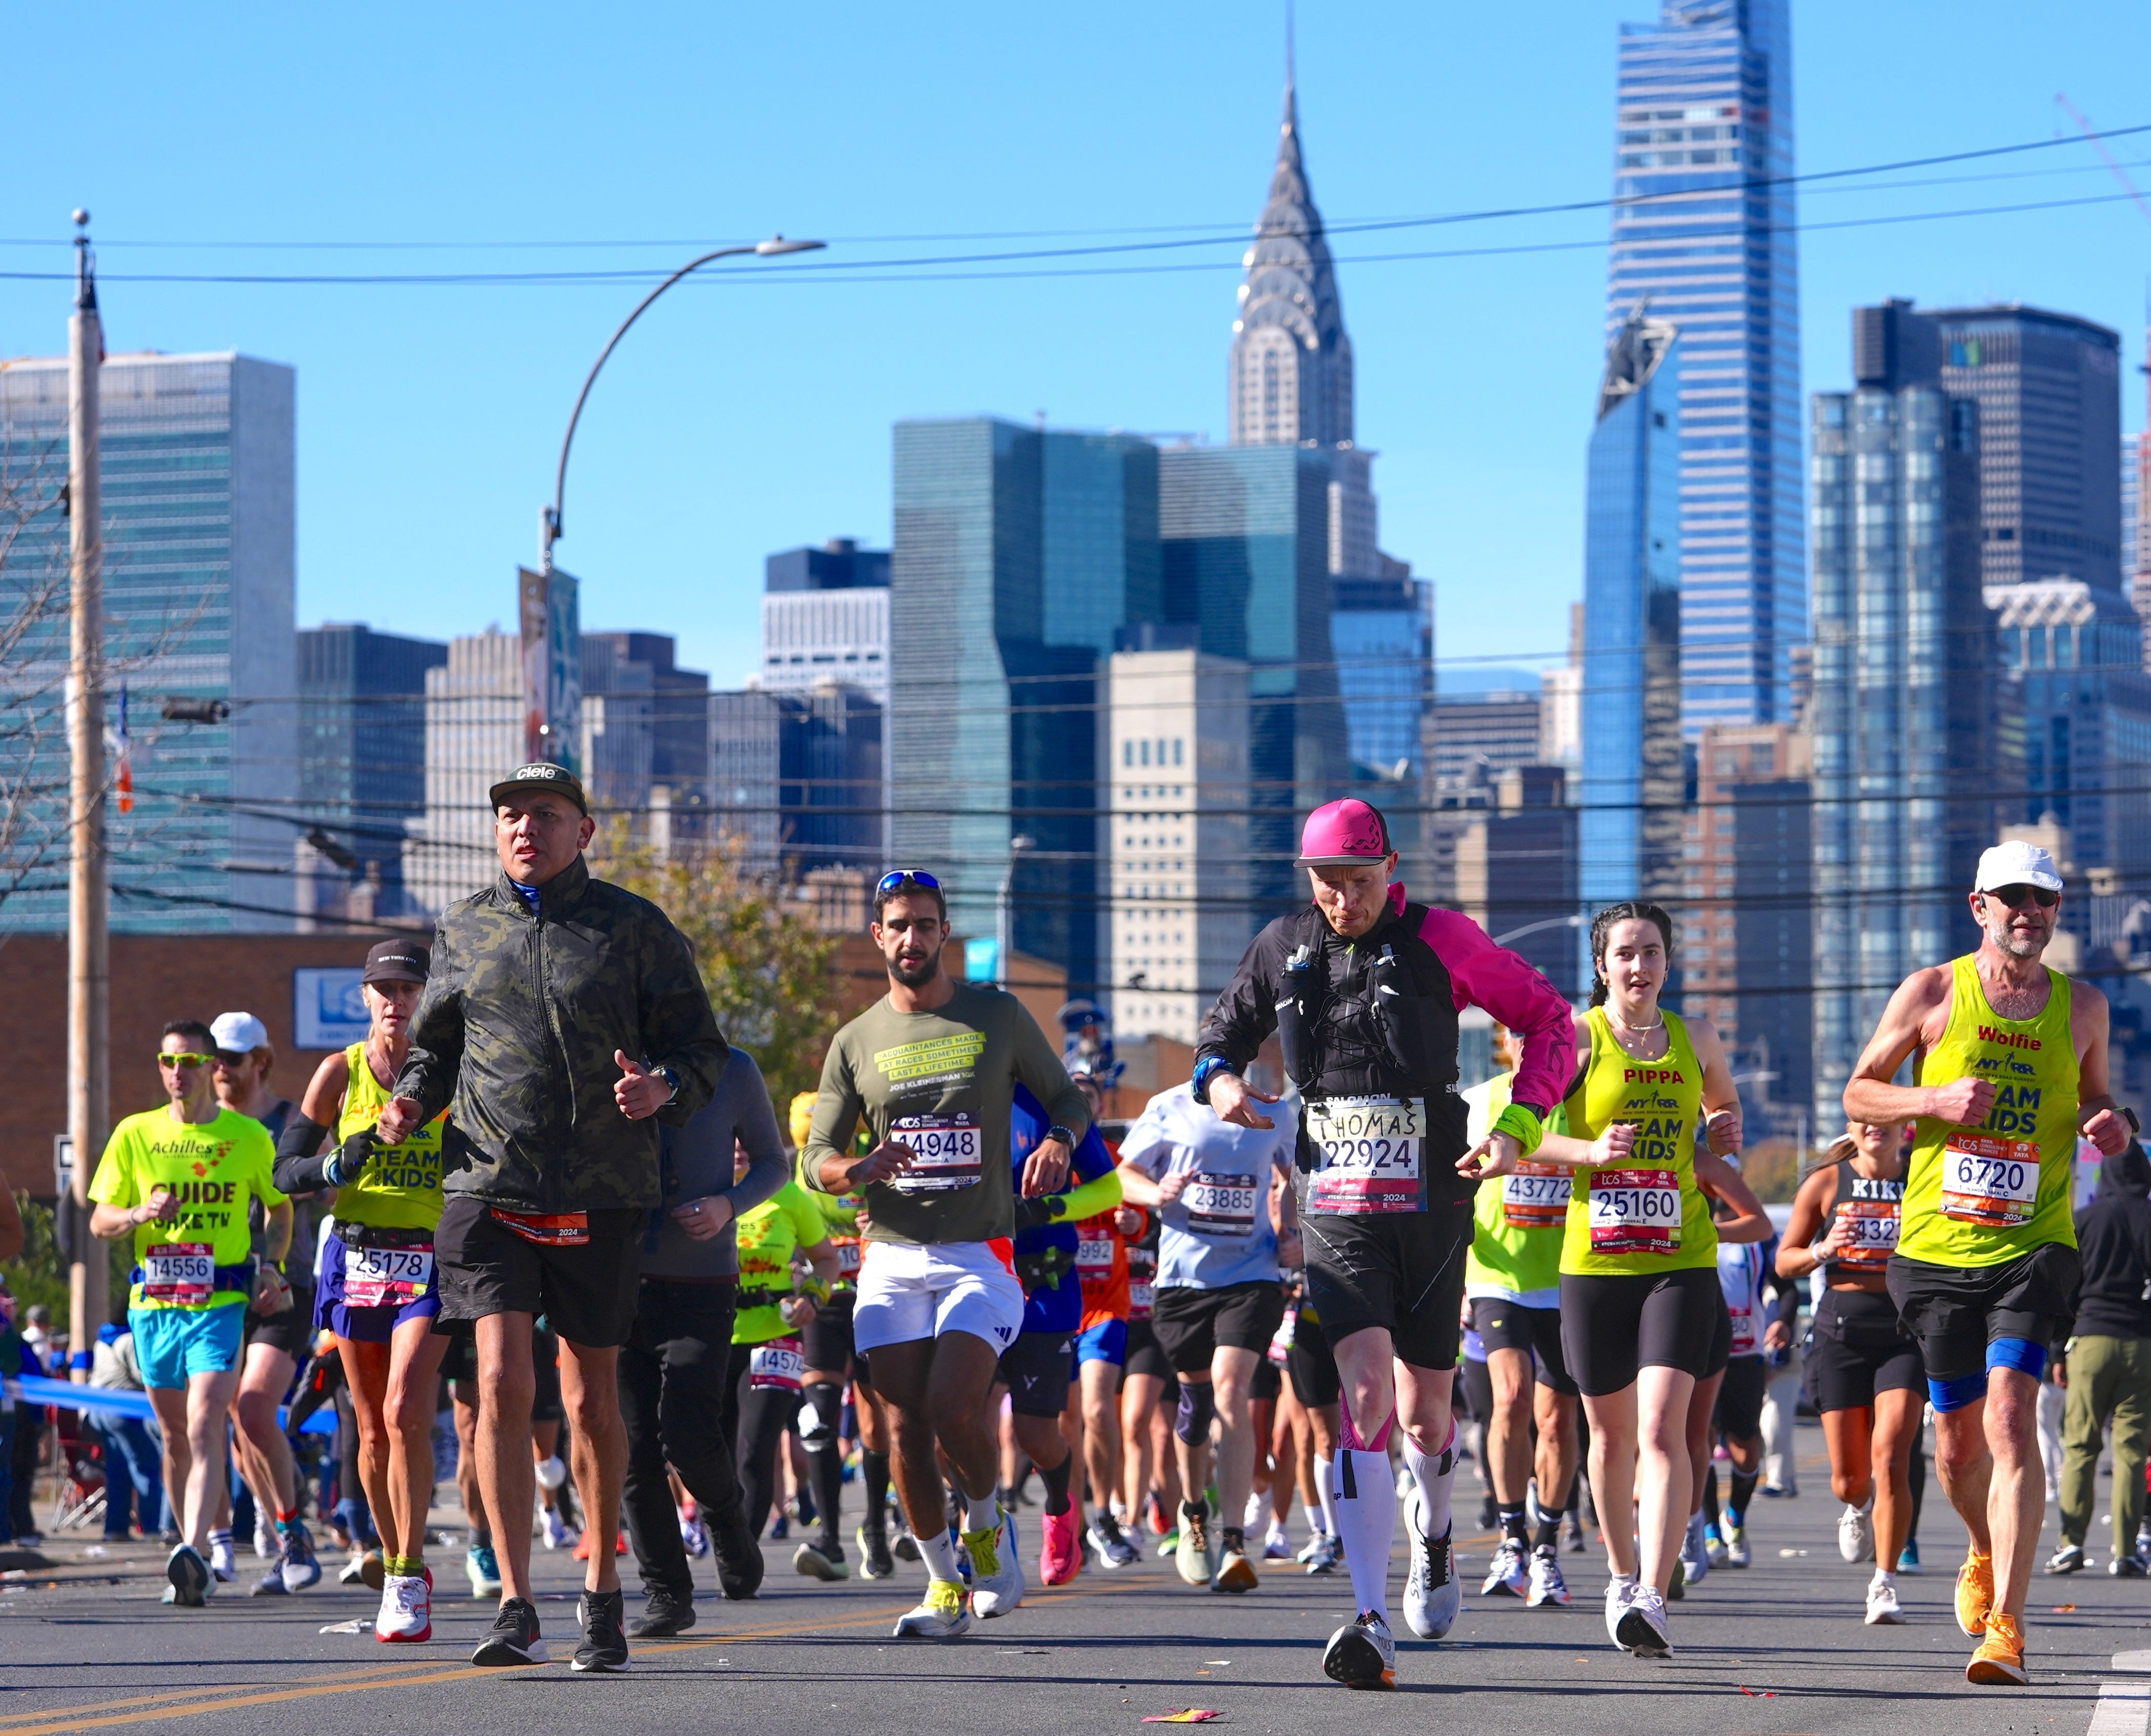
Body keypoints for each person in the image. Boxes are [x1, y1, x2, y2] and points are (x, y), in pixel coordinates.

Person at [1196, 798, 1575, 1689]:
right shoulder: (1281, 945)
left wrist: (1519, 1124)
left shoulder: (1444, 936)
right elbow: (1221, 1034)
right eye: (1327, 883)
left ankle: (1434, 1536)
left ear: (1391, 870)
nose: (1343, 900)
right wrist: (1218, 1083)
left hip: (1435, 1202)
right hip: (1335, 1206)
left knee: (1426, 1416)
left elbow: (1549, 1020)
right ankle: (1369, 1617)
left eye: (1360, 882)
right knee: (1364, 1396)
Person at [375, 760, 728, 1672]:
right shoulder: (464, 928)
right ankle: (514, 1603)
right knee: (498, 1384)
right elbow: (436, 1049)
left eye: (544, 813)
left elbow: (702, 1048)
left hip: (601, 1192)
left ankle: (603, 1593)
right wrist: (412, 1099)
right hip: (486, 1187)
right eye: (509, 815)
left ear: (585, 829)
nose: (523, 827)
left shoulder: (633, 928)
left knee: (585, 1396)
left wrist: (664, 1088)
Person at [1846, 839, 2134, 1685]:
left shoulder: (2084, 1005)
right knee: (1955, 1445)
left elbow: (2096, 1096)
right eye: (2011, 898)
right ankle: (1981, 1545)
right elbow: (1861, 1089)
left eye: (2043, 900)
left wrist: (2111, 1124)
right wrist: (1930, 1098)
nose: (2028, 913)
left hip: (2034, 1245)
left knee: (2012, 1420)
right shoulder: (1934, 993)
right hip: (1935, 1249)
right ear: (1979, 906)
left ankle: (2005, 1625)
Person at [800, 868, 1088, 1641]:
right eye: (898, 925)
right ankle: (941, 1585)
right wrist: (854, 1169)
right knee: (900, 1425)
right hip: (891, 1254)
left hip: (979, 1252)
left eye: (925, 925)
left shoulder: (995, 1016)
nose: (911, 938)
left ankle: (988, 1536)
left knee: (954, 1405)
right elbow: (814, 1154)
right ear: (878, 936)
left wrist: (1060, 1142)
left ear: (943, 933)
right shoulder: (855, 1039)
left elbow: (1069, 1097)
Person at [1473, 901, 1744, 1660]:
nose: (1638, 966)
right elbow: (1528, 1127)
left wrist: (1724, 1122)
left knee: (1662, 1428)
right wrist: (1589, 1152)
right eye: (1624, 953)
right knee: (1610, 1433)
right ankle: (1621, 1577)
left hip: (1679, 1257)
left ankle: (1652, 1595)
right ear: (1601, 966)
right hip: (1593, 1263)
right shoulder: (1577, 1038)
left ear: (1666, 961)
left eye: (1650, 951)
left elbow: (1721, 1100)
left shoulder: (1695, 1036)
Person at [274, 941, 449, 1641]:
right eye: (383, 988)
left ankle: (409, 1575)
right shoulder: (339, 1071)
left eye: (409, 988)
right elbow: (286, 1171)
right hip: (355, 1258)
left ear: (425, 998)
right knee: (371, 1423)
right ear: (365, 997)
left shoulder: (449, 1073)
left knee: (408, 1404)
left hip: (428, 1259)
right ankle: (395, 1561)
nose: (395, 1000)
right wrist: (332, 1164)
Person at [88, 1020, 288, 1607]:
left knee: (206, 1422)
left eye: (192, 1062)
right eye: (169, 1061)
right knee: (174, 1433)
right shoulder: (135, 1133)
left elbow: (279, 1209)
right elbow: (100, 1218)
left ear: (211, 1068)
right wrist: (138, 1212)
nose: (180, 1072)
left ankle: (196, 1549)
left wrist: (270, 1266)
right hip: (154, 1305)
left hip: (219, 1303)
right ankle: (187, 1547)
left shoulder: (248, 1136)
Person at [614, 1053, 790, 1635]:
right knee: (632, 1448)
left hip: (701, 1283)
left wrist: (728, 1204)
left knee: (689, 1436)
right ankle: (666, 1590)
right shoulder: (602, 1058)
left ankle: (726, 1516)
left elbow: (772, 1162)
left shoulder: (733, 1067)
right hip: (614, 1282)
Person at [1115, 1080, 1298, 1593]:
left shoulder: (1275, 1111)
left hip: (1252, 1274)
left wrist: (1293, 1235)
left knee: (1230, 1389)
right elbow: (1123, 1175)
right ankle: (1195, 1510)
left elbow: (1294, 1178)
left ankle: (1235, 1540)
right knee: (1195, 1408)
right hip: (1183, 1280)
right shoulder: (1167, 1104)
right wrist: (1157, 1194)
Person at [1777, 1122, 1924, 1622]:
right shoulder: (1825, 1183)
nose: (1873, 1127)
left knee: (1892, 1457)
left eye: (1883, 1120)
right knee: (1849, 1478)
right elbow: (1784, 1260)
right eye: (1863, 1118)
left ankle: (1884, 1583)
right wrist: (1824, 1249)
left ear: (1902, 1128)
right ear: (1849, 1128)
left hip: (1904, 1335)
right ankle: (1856, 1505)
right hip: (1839, 1334)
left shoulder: (1922, 1176)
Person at [1462, 1055, 1580, 1609]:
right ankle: (1511, 1538)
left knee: (1556, 1420)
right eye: (1520, 1032)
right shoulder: (1480, 1099)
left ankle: (1547, 1546)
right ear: (1507, 1044)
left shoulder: (1581, 1097)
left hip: (1567, 1279)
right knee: (1509, 1397)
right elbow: (1452, 1186)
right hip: (1497, 1275)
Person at [999, 1085, 1121, 1588]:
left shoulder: (1052, 1104)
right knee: (951, 1416)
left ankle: (1061, 1508)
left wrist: (1044, 1209)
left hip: (1045, 1284)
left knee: (1036, 1433)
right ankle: (980, 1531)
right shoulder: (944, 1092)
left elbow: (1108, 1190)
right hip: (969, 1277)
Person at [790, 1092, 903, 1581]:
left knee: (876, 1425)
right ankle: (830, 1541)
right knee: (817, 1419)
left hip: (873, 1297)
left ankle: (875, 1528)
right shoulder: (796, 1169)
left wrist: (880, 1220)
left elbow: (908, 1208)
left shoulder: (872, 1151)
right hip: (824, 1303)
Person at [2049, 1138, 2151, 1577]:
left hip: (2089, 1341)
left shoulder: (2084, 1220)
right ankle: (2126, 1551)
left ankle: (2071, 1544)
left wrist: (2057, 1351)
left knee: (2080, 1446)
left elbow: (2065, 1292)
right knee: (2131, 1450)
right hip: (2143, 1345)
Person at [728, 1148, 839, 1545]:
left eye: (748, 1138)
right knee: (711, 1452)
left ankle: (742, 1554)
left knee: (756, 1449)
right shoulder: (696, 1191)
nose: (740, 1147)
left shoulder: (789, 1196)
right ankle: (722, 1536)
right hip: (712, 1335)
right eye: (731, 1137)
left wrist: (811, 1297)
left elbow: (827, 1260)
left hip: (777, 1334)